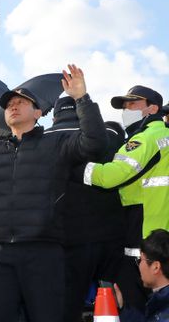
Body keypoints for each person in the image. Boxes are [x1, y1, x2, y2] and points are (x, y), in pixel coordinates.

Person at [0, 64, 108, 321]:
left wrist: (82, 98)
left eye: (21, 102)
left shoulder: (55, 144)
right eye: (9, 104)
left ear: (38, 112)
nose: (13, 106)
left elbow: (95, 143)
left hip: (43, 251)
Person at [83, 85, 169, 316]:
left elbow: (112, 176)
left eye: (133, 104)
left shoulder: (148, 137)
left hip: (146, 237)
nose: (126, 110)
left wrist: (80, 168)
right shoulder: (162, 137)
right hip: (158, 235)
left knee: (139, 308)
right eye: (124, 106)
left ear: (153, 108)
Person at [51, 96, 126, 322]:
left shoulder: (45, 140)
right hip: (112, 236)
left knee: (68, 305)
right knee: (111, 302)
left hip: (69, 239)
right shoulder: (107, 134)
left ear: (55, 117)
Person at [117, 229, 169, 322]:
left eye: (140, 260)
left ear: (156, 267)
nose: (139, 265)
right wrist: (122, 307)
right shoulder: (161, 303)